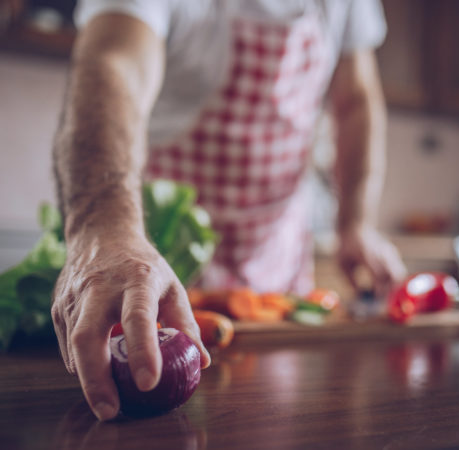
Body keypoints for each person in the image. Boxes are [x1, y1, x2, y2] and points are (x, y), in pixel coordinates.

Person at [51, 0, 406, 421]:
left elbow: (356, 100)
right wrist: (106, 231)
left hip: (280, 284)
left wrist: (355, 222)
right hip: (156, 279)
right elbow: (114, 65)